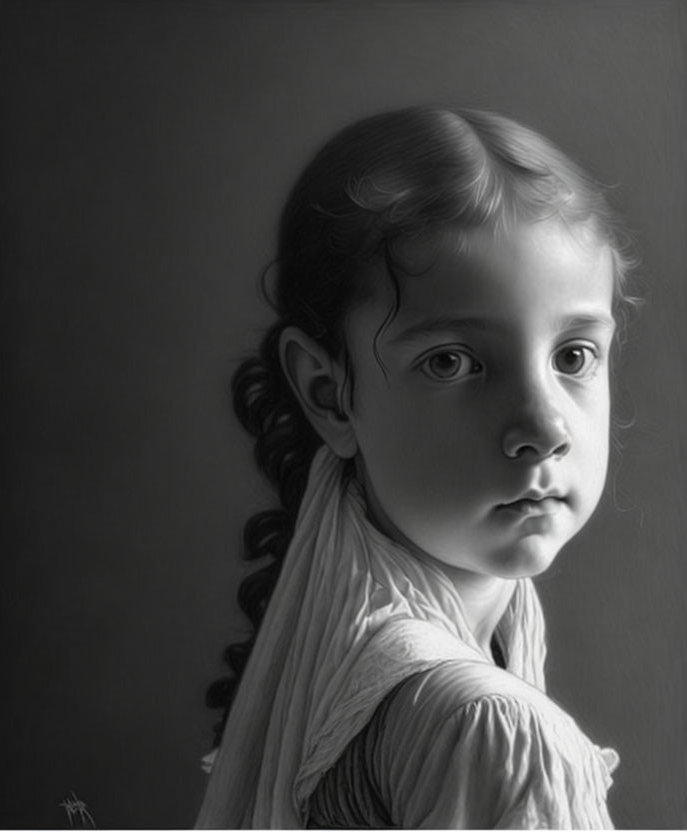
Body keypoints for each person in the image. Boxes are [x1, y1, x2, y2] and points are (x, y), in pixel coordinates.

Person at [196, 106, 635, 829]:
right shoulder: (491, 732)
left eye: (574, 356)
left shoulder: (328, 664)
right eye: (453, 361)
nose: (544, 429)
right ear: (328, 393)